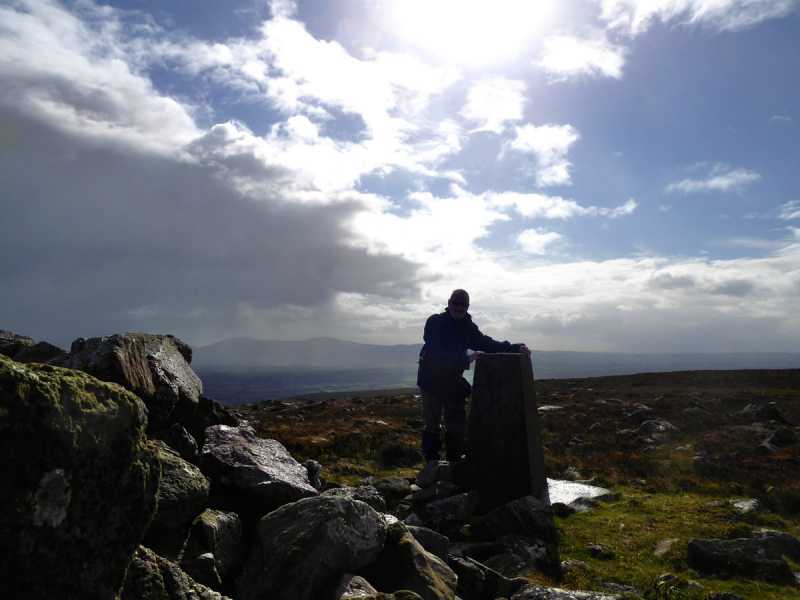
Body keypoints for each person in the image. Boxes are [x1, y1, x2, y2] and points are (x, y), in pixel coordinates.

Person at [416, 289, 530, 462]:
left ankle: (454, 462)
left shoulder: (467, 327)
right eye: (456, 303)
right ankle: (431, 464)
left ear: (467, 307)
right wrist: (465, 359)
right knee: (432, 423)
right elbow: (435, 350)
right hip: (431, 381)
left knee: (456, 424)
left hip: (452, 381)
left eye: (463, 305)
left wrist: (514, 348)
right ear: (449, 303)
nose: (459, 307)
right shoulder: (435, 322)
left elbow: (486, 343)